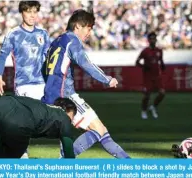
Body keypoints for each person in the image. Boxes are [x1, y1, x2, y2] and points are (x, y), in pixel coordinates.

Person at [41, 9, 130, 159]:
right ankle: (63, 160)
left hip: (52, 96)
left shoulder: (56, 41)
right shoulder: (72, 40)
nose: (89, 33)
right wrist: (107, 79)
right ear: (77, 27)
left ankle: (130, 165)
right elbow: (86, 63)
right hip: (66, 97)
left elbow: (45, 69)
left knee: (100, 131)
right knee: (98, 130)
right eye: (88, 28)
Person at [0, 1, 50, 158]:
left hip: (41, 83)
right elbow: (3, 55)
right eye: (28, 11)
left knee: (43, 121)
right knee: (25, 121)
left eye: (35, 11)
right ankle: (21, 153)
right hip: (23, 84)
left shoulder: (43, 34)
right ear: (22, 13)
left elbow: (49, 58)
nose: (32, 15)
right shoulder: (13, 34)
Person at [0, 96, 77, 176]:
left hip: (3, 103)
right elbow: (68, 151)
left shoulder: (43, 107)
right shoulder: (64, 117)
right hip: (20, 122)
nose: (71, 121)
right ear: (68, 110)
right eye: (72, 117)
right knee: (7, 155)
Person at [136, 32, 166, 119]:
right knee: (147, 95)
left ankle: (153, 107)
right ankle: (144, 111)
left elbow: (161, 61)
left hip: (157, 76)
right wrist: (144, 67)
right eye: (151, 39)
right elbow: (137, 62)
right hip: (148, 77)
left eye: (154, 38)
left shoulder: (159, 51)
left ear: (156, 40)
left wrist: (163, 66)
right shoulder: (145, 51)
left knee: (162, 93)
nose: (153, 40)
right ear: (148, 40)